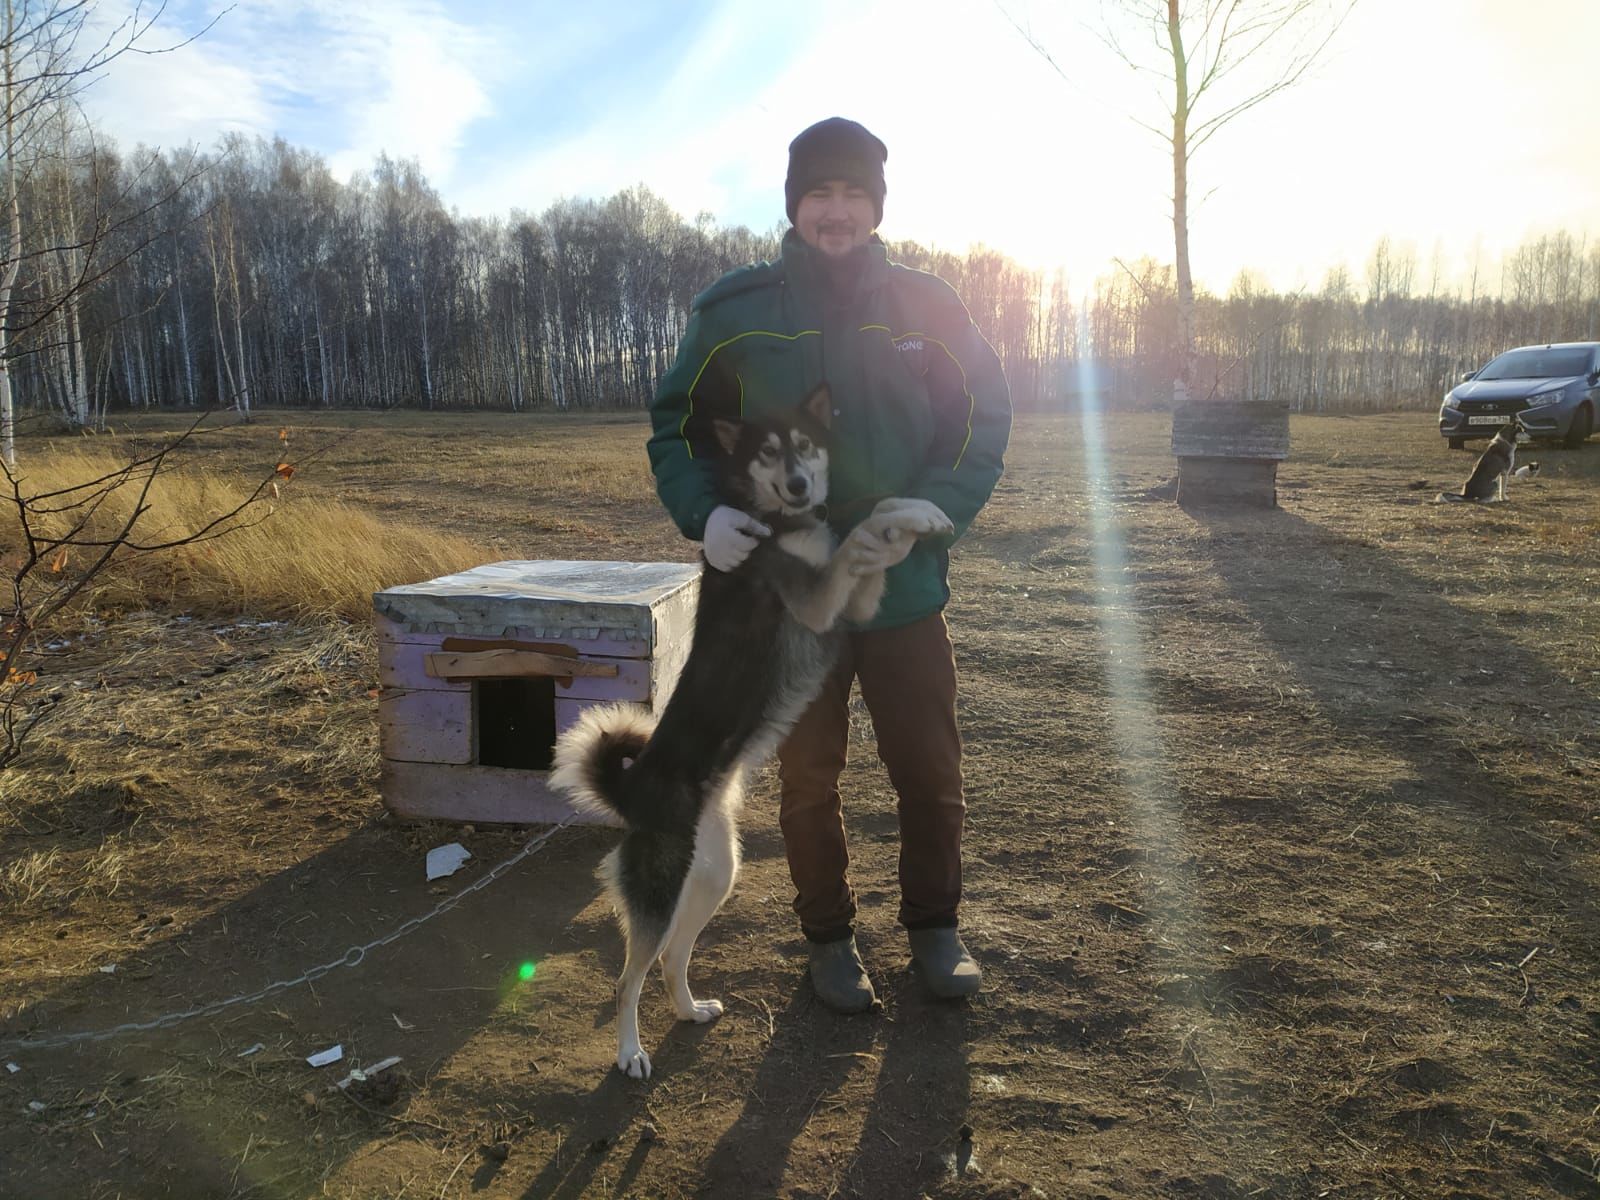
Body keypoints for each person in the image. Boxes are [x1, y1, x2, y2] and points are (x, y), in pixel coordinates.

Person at [646, 116, 1011, 1011]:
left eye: (854, 194)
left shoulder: (930, 306)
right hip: (787, 596)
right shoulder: (736, 313)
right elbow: (678, 427)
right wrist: (706, 513)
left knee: (927, 764)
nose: (837, 211)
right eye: (820, 193)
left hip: (902, 579)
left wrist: (943, 504)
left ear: (877, 205)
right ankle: (828, 939)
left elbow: (982, 418)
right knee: (809, 774)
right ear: (794, 205)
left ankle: (935, 929)